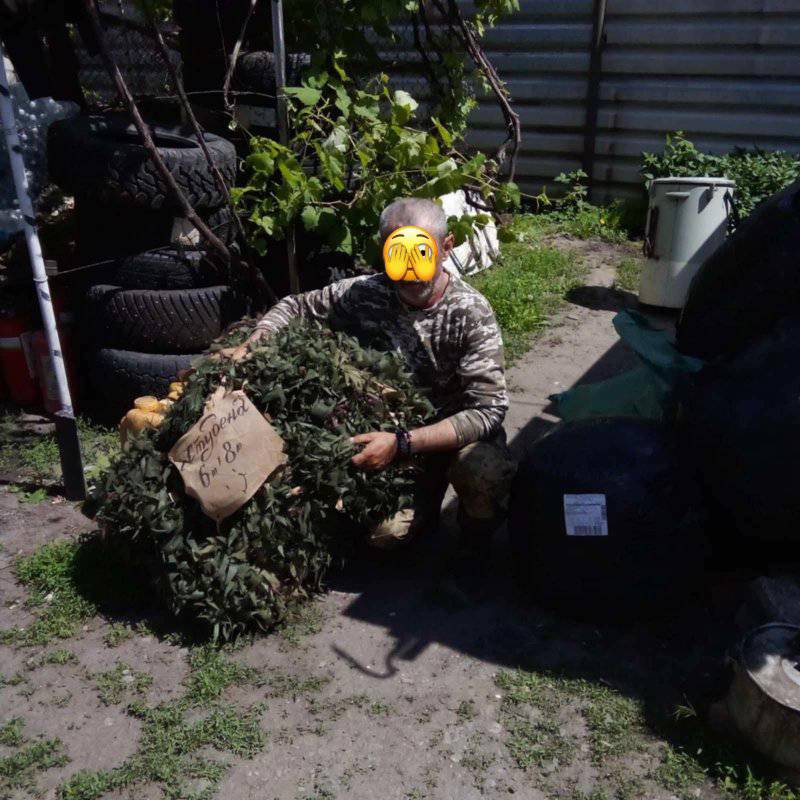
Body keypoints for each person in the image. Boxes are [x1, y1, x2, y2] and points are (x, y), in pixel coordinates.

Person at [233, 197, 516, 552]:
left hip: (453, 436)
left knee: (482, 471)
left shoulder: (470, 312)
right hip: (397, 439)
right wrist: (256, 341)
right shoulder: (364, 292)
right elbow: (294, 306)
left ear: (446, 247)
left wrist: (402, 442)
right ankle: (425, 509)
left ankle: (475, 543)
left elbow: (488, 411)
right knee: (385, 536)